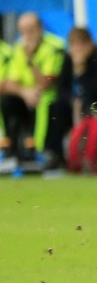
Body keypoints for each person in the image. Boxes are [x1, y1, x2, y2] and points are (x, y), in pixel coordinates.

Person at [0, 13, 66, 169]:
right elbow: (9, 82)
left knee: (43, 102)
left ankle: (40, 151)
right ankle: (10, 150)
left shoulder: (55, 47)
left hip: (50, 95)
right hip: (27, 94)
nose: (27, 36)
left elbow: (48, 82)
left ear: (40, 29)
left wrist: (30, 60)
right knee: (7, 101)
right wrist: (24, 92)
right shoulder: (17, 48)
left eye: (30, 30)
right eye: (23, 31)